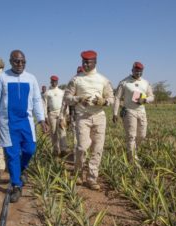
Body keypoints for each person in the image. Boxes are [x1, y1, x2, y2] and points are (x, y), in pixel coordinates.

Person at [0, 50, 48, 203]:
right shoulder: (2, 78)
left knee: (30, 149)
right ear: (10, 61)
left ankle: (21, 169)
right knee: (13, 154)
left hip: (26, 122)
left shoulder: (31, 78)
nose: (20, 64)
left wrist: (41, 119)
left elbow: (36, 100)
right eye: (16, 61)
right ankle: (16, 185)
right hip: (7, 123)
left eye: (23, 61)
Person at [64, 50, 114, 190]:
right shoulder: (76, 80)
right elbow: (67, 98)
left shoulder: (103, 80)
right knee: (81, 147)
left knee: (97, 149)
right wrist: (78, 99)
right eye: (84, 62)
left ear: (95, 63)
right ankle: (79, 174)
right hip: (82, 118)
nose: (85, 64)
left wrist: (103, 102)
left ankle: (92, 178)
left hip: (99, 117)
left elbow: (111, 99)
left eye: (88, 62)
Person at [113, 62, 154, 163]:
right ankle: (132, 160)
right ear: (132, 70)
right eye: (136, 71)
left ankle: (132, 150)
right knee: (131, 136)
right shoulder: (124, 82)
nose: (138, 73)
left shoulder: (146, 83)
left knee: (142, 135)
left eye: (140, 71)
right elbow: (117, 98)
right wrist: (115, 112)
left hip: (141, 111)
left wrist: (145, 100)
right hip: (129, 111)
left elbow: (152, 96)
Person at [44, 75, 68, 156]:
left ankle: (63, 149)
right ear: (51, 82)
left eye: (55, 81)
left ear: (57, 82)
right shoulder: (47, 93)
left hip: (61, 113)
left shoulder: (62, 92)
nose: (54, 82)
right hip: (52, 114)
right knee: (53, 132)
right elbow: (45, 105)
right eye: (52, 81)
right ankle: (55, 150)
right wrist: (45, 116)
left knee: (62, 130)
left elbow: (65, 104)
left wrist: (66, 113)